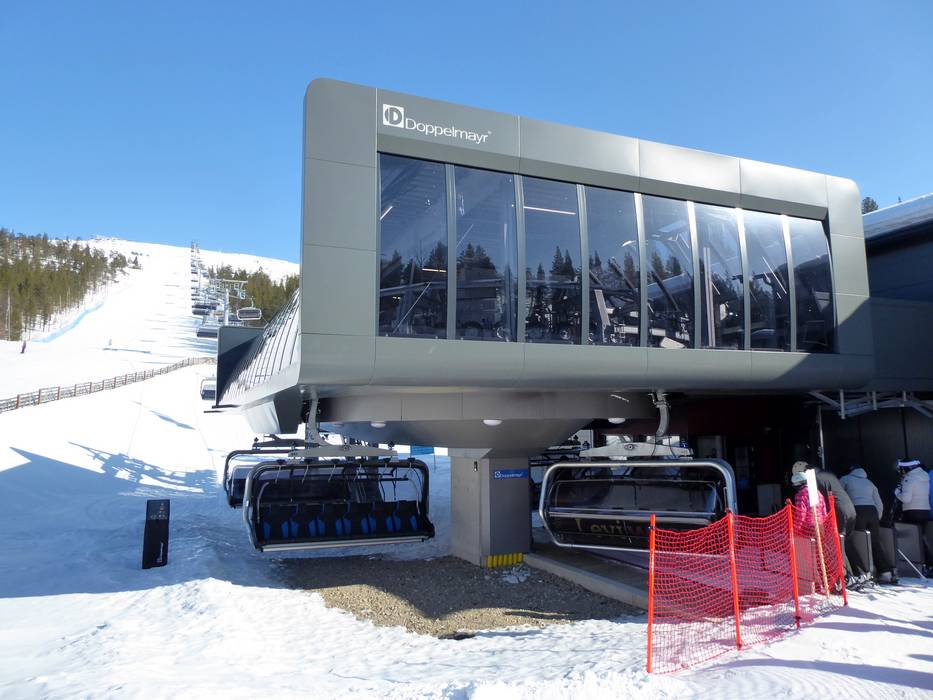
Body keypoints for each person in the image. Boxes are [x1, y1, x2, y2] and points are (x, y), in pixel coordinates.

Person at [792, 460, 856, 577]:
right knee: (834, 547)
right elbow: (823, 508)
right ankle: (847, 574)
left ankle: (841, 576)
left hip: (817, 523)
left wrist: (795, 530)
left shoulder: (807, 488)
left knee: (823, 551)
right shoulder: (824, 481)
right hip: (843, 512)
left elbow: (803, 513)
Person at [841, 464, 895, 583]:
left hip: (857, 510)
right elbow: (879, 502)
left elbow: (840, 496)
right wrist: (877, 517)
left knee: (858, 541)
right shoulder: (869, 483)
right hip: (872, 511)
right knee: (875, 542)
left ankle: (863, 572)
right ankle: (885, 572)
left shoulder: (845, 479)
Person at [895, 459, 932, 576]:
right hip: (924, 510)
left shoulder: (909, 479)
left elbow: (906, 499)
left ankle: (917, 565)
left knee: (912, 540)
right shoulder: (924, 476)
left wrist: (897, 492)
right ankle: (929, 564)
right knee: (921, 538)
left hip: (912, 511)